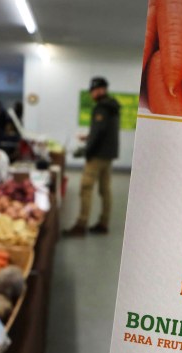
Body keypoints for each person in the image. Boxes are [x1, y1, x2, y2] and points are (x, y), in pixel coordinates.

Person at [63, 77, 121, 237]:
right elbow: (103, 131)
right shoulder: (113, 106)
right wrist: (88, 137)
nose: (92, 94)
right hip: (108, 155)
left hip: (97, 155)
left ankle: (81, 224)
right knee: (105, 190)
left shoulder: (101, 108)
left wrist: (87, 151)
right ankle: (104, 222)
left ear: (100, 90)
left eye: (93, 91)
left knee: (85, 188)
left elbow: (99, 133)